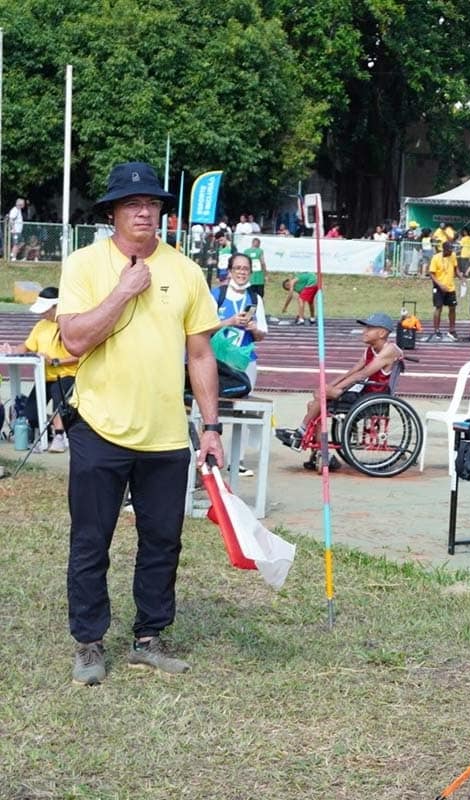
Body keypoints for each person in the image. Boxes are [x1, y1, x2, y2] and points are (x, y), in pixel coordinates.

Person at [56, 161, 224, 686]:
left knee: (163, 541)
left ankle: (149, 638)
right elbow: (74, 339)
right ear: (113, 212)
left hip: (166, 433)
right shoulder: (84, 265)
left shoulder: (186, 271)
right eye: (132, 204)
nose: (144, 212)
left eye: (152, 203)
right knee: (91, 541)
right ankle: (89, 643)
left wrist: (211, 427)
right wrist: (124, 291)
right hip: (99, 427)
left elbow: (201, 354)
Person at [277, 312, 404, 468]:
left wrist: (334, 389)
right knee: (314, 404)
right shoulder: (370, 350)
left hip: (372, 398)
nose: (364, 331)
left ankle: (301, 433)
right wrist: (329, 385)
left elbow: (362, 374)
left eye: (369, 328)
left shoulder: (389, 350)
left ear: (382, 333)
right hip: (363, 394)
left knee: (323, 396)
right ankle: (321, 455)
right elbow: (351, 372)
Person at [0, 287, 78, 453]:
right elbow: (26, 346)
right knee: (30, 413)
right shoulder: (41, 325)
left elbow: (80, 355)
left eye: (46, 310)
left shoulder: (70, 325)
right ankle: (45, 429)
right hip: (44, 376)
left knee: (59, 400)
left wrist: (56, 362)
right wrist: (11, 350)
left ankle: (59, 436)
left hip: (65, 374)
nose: (42, 314)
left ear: (56, 307)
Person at [211, 254, 267, 390]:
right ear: (230, 271)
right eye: (237, 268)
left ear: (250, 272)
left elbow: (260, 336)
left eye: (246, 269)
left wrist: (254, 329)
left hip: (245, 360)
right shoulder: (217, 295)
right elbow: (205, 328)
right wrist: (230, 321)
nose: (242, 272)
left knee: (245, 397)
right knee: (216, 398)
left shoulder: (255, 299)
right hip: (218, 358)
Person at [428, 240, 458, 341]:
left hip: (450, 287)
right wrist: (440, 285)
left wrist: (461, 276)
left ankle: (452, 329)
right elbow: (432, 274)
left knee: (452, 307)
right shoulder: (436, 258)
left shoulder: (453, 256)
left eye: (451, 249)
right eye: (449, 250)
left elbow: (456, 268)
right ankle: (436, 330)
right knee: (438, 308)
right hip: (439, 287)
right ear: (444, 249)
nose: (451, 252)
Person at [243, 237, 268, 303]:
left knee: (250, 296)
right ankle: (259, 308)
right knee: (260, 297)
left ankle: (251, 308)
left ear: (252, 243)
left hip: (250, 278)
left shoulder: (246, 251)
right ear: (259, 244)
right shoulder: (260, 251)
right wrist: (266, 274)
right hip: (259, 278)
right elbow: (262, 262)